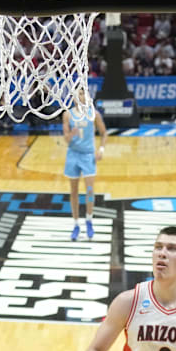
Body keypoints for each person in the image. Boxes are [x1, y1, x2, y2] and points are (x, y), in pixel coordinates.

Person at [62, 90, 107, 241]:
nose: (79, 96)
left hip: (88, 156)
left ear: (86, 96)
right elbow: (66, 139)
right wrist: (72, 134)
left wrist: (101, 149)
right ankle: (75, 224)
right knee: (73, 192)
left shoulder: (93, 113)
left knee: (89, 190)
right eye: (77, 94)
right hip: (73, 155)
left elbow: (104, 133)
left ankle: (89, 220)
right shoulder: (68, 114)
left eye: (82, 93)